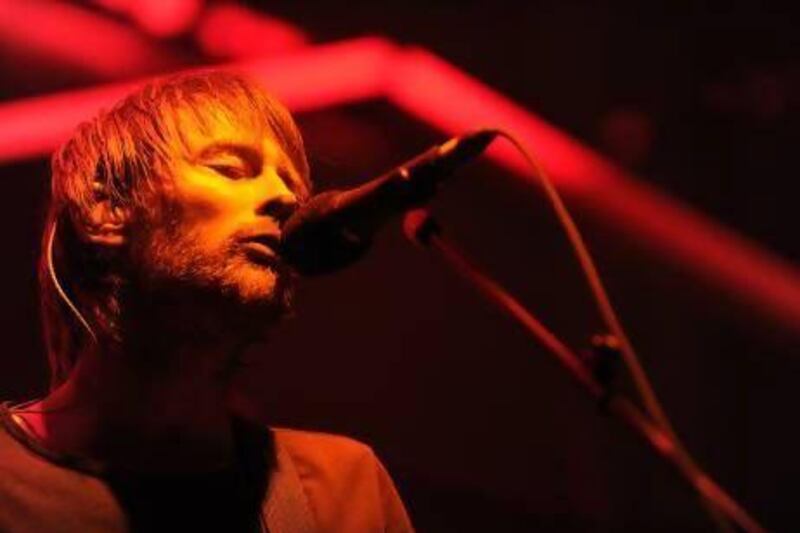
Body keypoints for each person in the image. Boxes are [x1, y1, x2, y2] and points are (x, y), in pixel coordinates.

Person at [0, 71, 414, 532]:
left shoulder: (341, 494)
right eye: (231, 169)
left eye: (294, 189)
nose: (283, 198)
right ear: (106, 208)